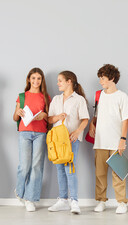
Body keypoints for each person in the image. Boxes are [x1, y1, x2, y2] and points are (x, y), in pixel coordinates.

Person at [88, 64, 128, 214]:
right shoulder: (98, 95)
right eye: (100, 78)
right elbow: (96, 114)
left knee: (118, 173)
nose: (100, 81)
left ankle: (121, 202)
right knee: (100, 174)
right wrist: (92, 125)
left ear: (112, 78)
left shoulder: (122, 96)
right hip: (100, 141)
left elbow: (125, 120)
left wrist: (122, 139)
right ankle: (101, 201)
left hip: (116, 141)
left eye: (103, 78)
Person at [47, 71, 89, 214]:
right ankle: (63, 200)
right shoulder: (56, 99)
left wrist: (77, 132)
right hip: (57, 140)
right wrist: (58, 117)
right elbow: (49, 119)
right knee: (60, 170)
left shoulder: (79, 100)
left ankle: (74, 201)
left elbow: (85, 119)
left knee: (70, 169)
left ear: (69, 81)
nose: (58, 83)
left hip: (71, 139)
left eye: (60, 81)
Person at [13, 68, 50, 212]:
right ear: (29, 79)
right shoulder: (22, 96)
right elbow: (15, 118)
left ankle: (30, 199)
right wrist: (18, 112)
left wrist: (44, 116)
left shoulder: (45, 97)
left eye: (39, 78)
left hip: (40, 133)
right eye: (33, 78)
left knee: (36, 167)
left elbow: (49, 115)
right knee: (24, 165)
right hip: (24, 133)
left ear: (42, 80)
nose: (36, 81)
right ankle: (20, 190)